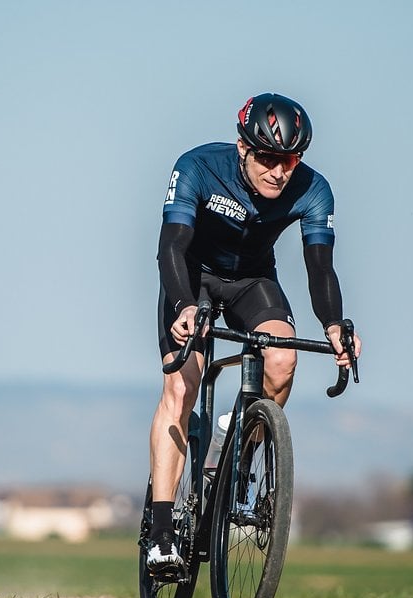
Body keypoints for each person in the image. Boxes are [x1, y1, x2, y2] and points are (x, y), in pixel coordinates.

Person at [146, 92, 362, 569]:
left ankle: (233, 444)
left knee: (282, 360)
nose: (278, 171)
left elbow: (320, 270)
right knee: (181, 389)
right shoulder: (198, 167)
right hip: (192, 275)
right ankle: (162, 533)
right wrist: (183, 306)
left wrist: (333, 324)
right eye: (266, 157)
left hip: (252, 281)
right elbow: (171, 246)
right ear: (242, 147)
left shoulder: (313, 188)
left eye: (288, 160)